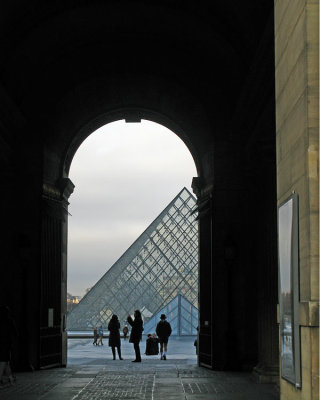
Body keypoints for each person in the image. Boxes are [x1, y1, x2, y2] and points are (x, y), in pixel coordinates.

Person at [0, 306, 17, 387]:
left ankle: (11, 379)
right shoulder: (9, 321)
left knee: (5, 361)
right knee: (4, 361)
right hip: (6, 344)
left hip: (3, 343)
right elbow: (14, 333)